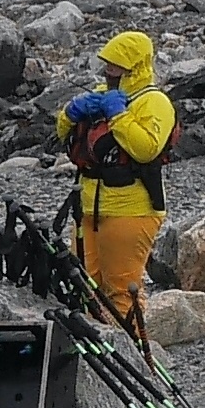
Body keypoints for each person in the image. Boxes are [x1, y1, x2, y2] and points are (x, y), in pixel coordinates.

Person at [54, 30, 179, 324]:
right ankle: (93, 343)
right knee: (83, 285)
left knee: (122, 290)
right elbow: (63, 136)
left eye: (116, 66)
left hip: (131, 210)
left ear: (134, 67)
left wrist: (118, 115)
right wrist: (71, 113)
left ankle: (130, 344)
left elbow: (145, 149)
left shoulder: (155, 102)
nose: (108, 71)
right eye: (107, 65)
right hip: (87, 208)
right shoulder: (101, 94)